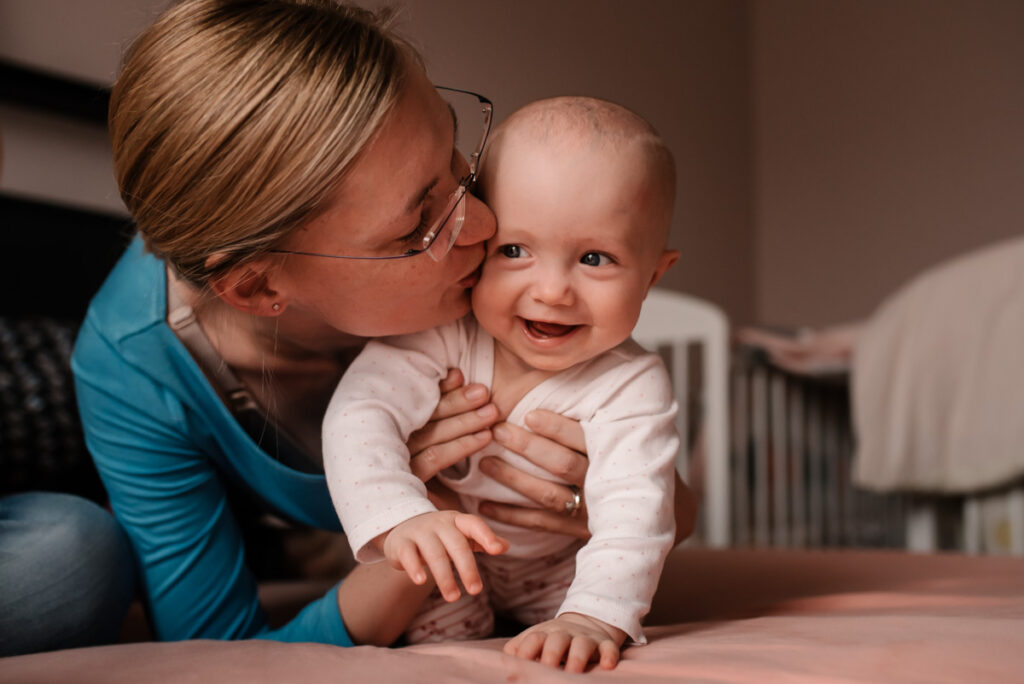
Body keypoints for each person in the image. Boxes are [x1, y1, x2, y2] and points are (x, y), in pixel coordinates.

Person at [60, 0, 697, 652]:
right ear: (258, 286)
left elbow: (646, 486)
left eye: (457, 162)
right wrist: (419, 525)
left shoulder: (493, 286)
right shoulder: (133, 367)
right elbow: (217, 649)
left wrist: (642, 503)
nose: (483, 226)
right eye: (419, 224)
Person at [324, 97, 681, 672]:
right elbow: (361, 414)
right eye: (515, 251)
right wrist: (399, 515)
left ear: (653, 275)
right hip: (454, 559)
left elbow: (636, 509)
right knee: (443, 651)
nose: (554, 291)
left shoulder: (630, 384)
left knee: (587, 629)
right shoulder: (441, 335)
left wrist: (592, 613)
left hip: (564, 574)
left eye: (595, 258)